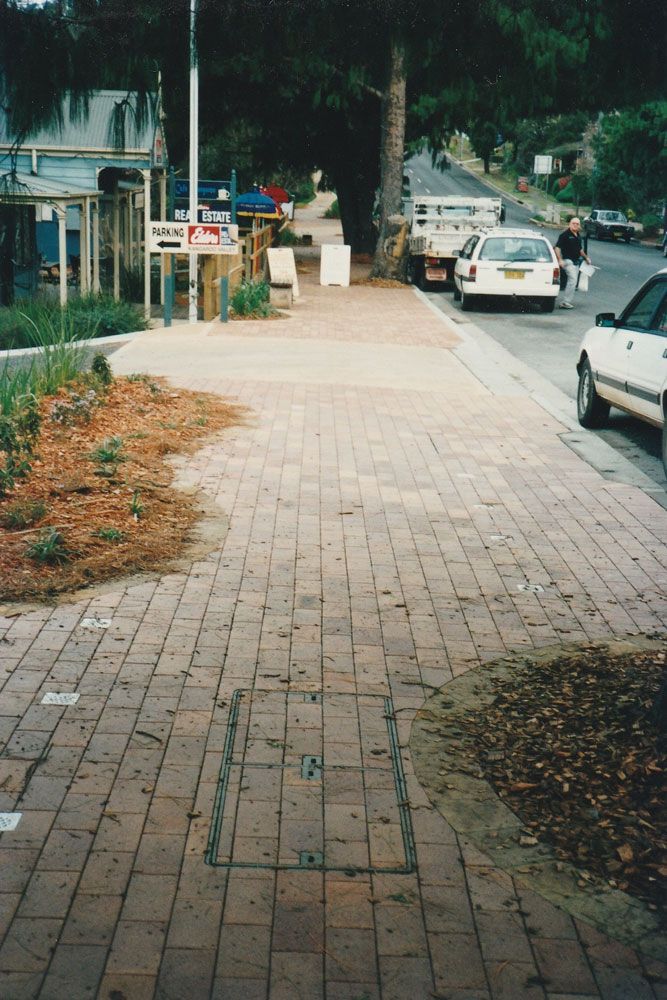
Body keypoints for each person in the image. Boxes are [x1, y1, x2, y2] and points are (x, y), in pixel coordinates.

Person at [554, 217, 591, 309]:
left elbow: (580, 249)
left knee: (573, 282)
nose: (575, 225)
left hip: (576, 261)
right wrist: (560, 259)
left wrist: (586, 258)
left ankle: (566, 301)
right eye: (573, 223)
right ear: (569, 224)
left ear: (579, 226)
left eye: (577, 224)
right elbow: (557, 247)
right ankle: (565, 302)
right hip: (567, 261)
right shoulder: (564, 235)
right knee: (573, 280)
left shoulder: (578, 235)